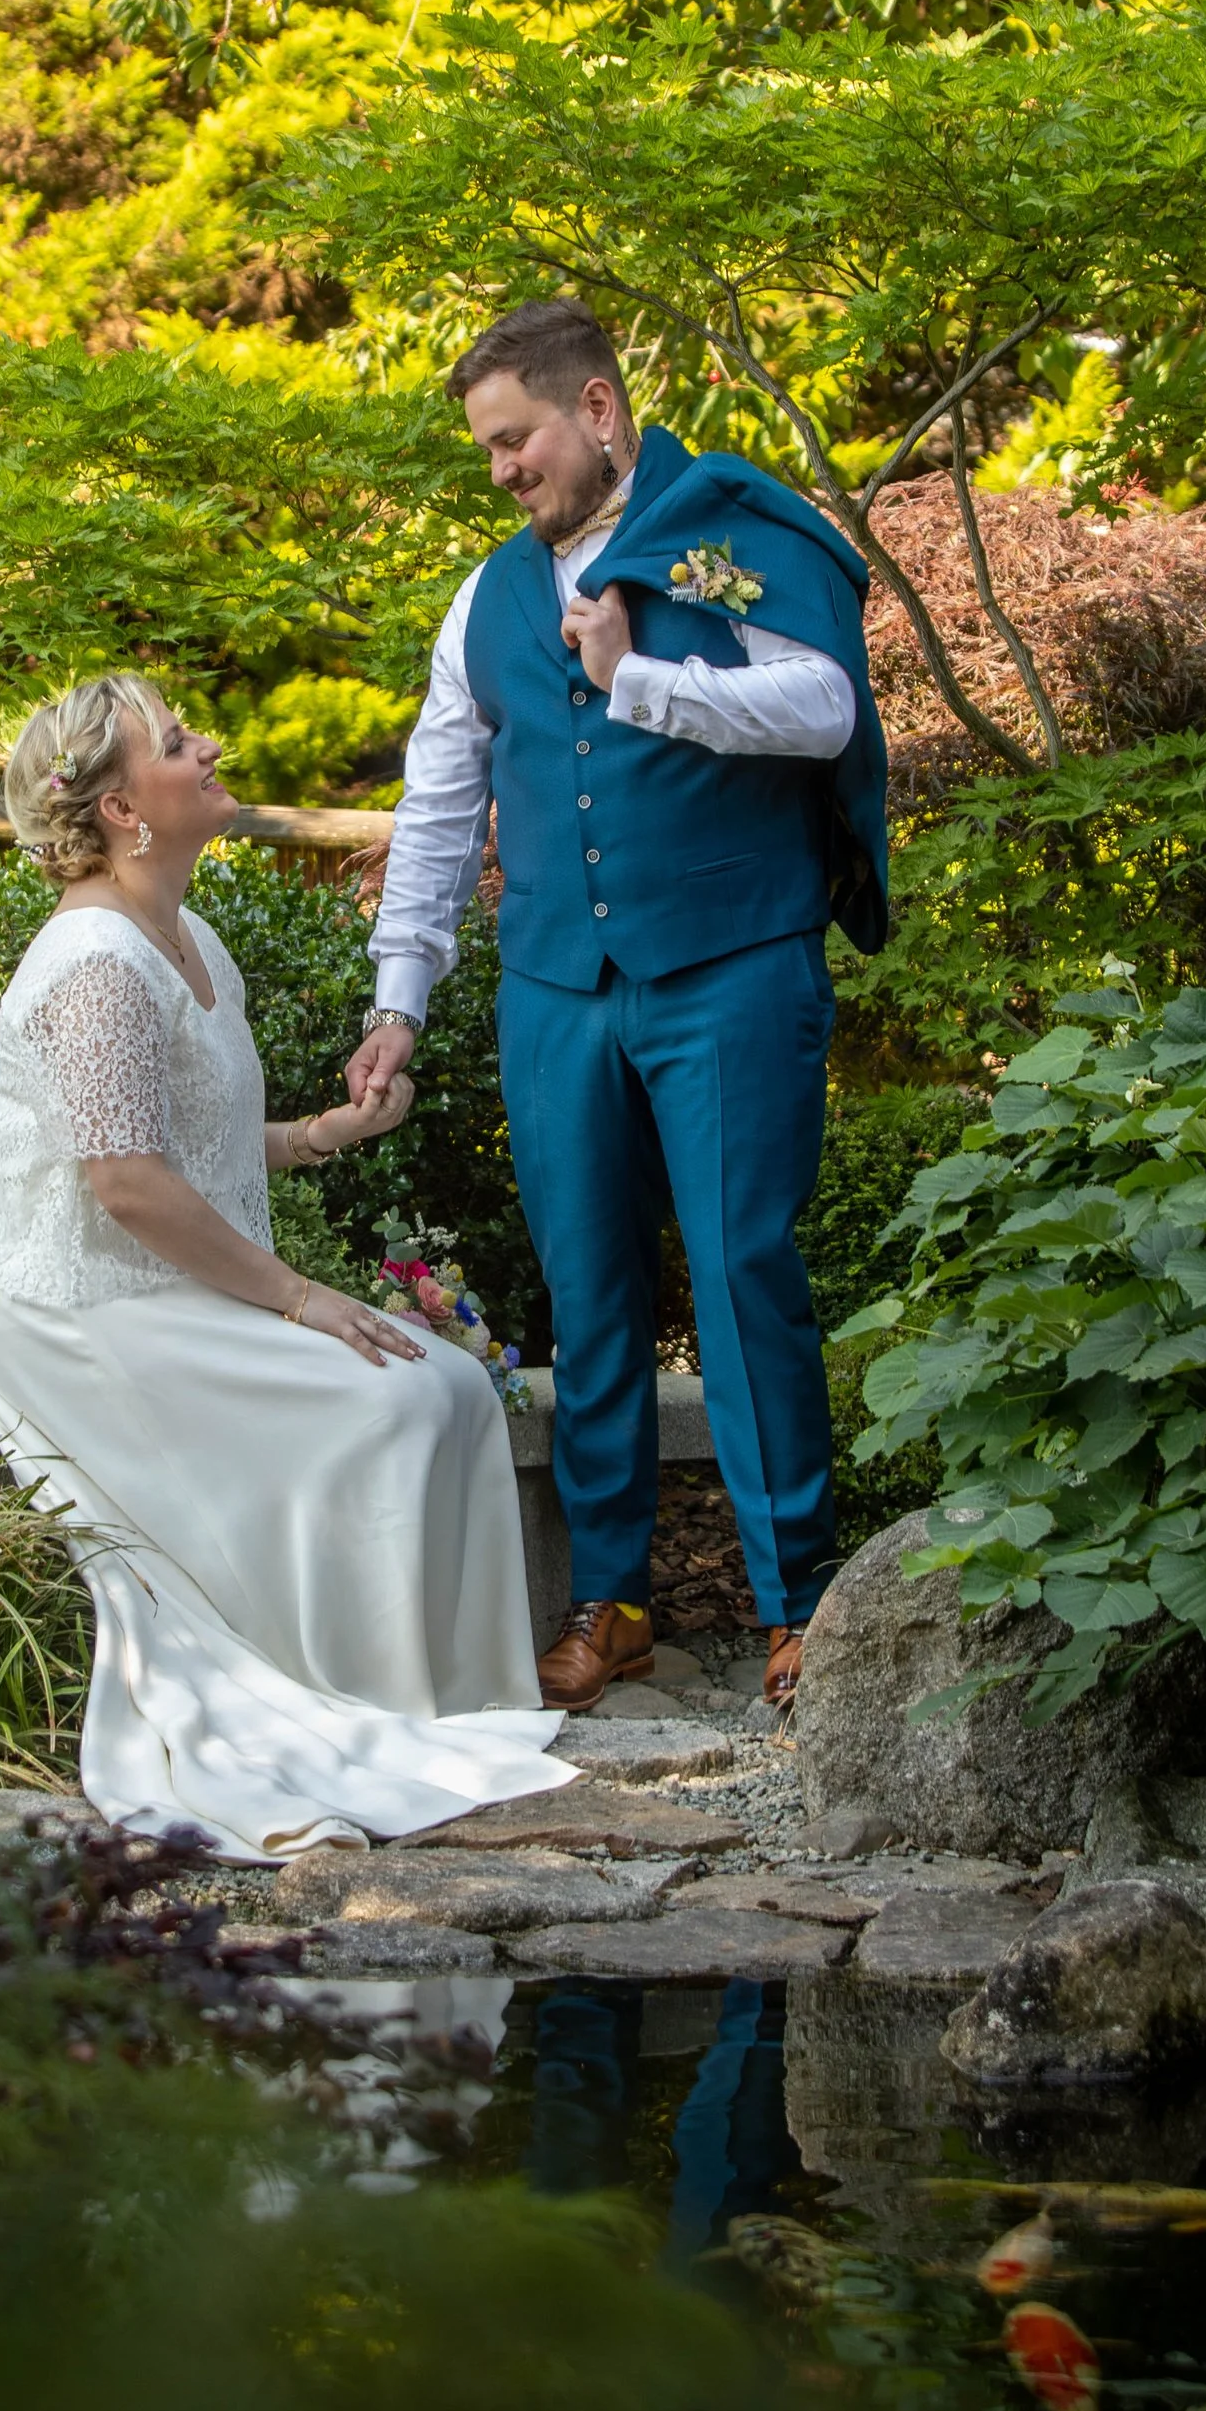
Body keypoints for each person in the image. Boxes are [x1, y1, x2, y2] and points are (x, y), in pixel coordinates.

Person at [347, 300, 890, 1713]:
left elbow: (824, 705)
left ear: (596, 411)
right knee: (588, 1298)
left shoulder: (733, 530)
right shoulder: (486, 598)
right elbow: (439, 805)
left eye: (514, 438)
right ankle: (615, 1599)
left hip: (732, 964)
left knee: (738, 1273)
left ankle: (799, 1605)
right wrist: (401, 993)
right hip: (555, 988)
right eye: (485, 449)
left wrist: (636, 677)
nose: (501, 471)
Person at [0, 668, 572, 1859]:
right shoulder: (93, 959)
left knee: (446, 1388)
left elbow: (193, 1145)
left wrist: (322, 1135)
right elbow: (122, 1184)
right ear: (123, 808)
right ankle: (359, 1707)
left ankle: (448, 1710)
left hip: (166, 1289)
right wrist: (299, 1299)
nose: (209, 745)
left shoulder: (186, 937)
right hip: (81, 1315)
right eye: (178, 742)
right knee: (396, 1401)